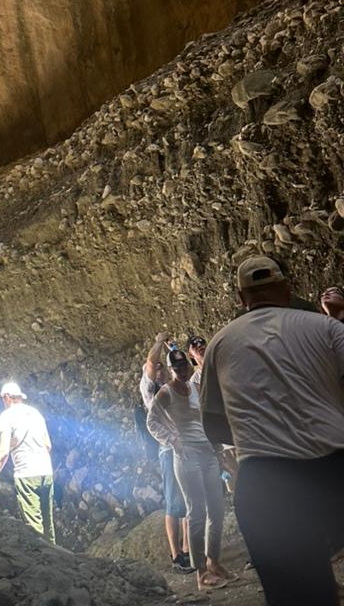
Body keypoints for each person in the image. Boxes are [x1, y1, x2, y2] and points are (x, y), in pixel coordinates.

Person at [201, 256, 344, 606]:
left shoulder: (219, 344)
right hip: (335, 466)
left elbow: (213, 425)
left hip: (267, 479)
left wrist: (261, 431)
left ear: (241, 297)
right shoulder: (327, 328)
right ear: (285, 286)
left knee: (296, 595)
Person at [147, 347, 229, 590]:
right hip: (186, 457)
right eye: (177, 368)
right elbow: (151, 422)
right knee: (196, 512)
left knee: (217, 509)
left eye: (185, 366)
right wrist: (173, 440)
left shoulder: (195, 389)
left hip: (206, 452)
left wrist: (217, 447)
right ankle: (201, 573)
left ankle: (213, 561)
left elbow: (204, 418)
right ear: (172, 370)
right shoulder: (165, 393)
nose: (182, 370)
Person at [139, 332, 191, 574]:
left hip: (186, 446)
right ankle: (176, 555)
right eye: (157, 367)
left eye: (163, 367)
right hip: (169, 450)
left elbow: (182, 368)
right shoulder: (149, 389)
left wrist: (173, 348)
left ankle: (188, 551)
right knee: (173, 502)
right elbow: (151, 363)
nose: (159, 368)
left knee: (188, 500)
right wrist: (158, 340)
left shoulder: (172, 388)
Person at [0, 380, 55, 543]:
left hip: (26, 475)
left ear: (7, 397)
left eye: (3, 398)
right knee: (48, 523)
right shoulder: (35, 413)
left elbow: (3, 452)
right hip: (46, 472)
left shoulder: (7, 416)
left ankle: (42, 563)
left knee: (34, 528)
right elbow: (48, 445)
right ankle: (58, 559)